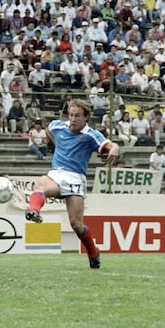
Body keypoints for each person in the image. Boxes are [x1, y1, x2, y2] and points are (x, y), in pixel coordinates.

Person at [25, 99, 120, 269]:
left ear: (86, 118)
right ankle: (34, 211)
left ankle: (93, 252)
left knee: (76, 224)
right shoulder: (57, 126)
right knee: (40, 184)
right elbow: (49, 132)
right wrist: (59, 147)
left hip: (76, 178)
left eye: (77, 116)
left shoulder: (91, 135)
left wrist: (115, 148)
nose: (73, 119)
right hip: (56, 174)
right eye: (71, 115)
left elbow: (109, 144)